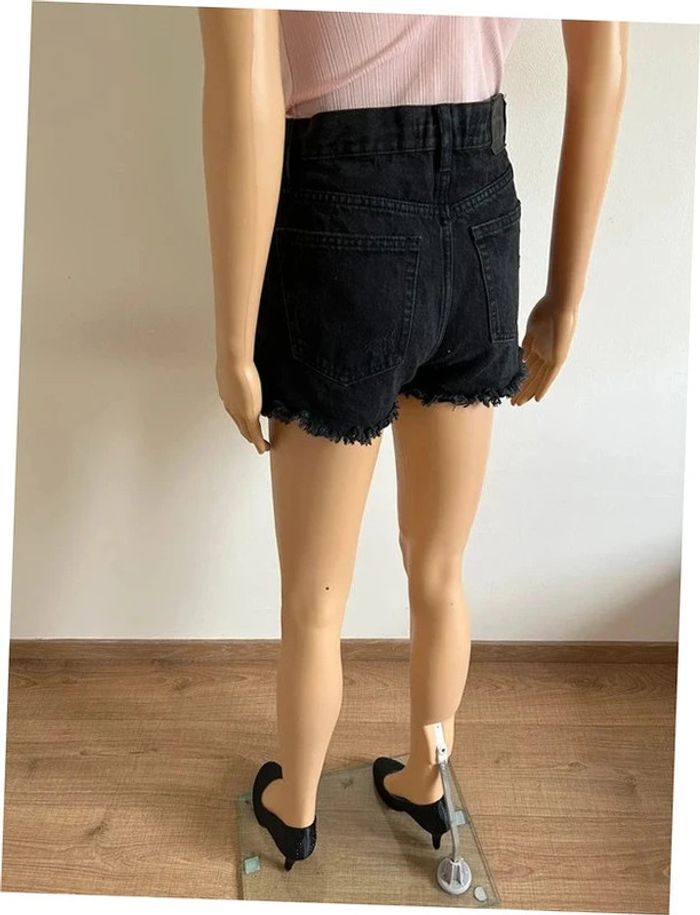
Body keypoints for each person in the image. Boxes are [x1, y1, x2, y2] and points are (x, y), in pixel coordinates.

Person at [197, 8, 629, 871]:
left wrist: (235, 338)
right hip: (480, 205)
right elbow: (606, 64)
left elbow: (242, 87)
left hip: (340, 211)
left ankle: (296, 806)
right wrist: (565, 295)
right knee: (439, 567)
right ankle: (427, 780)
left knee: (315, 597)